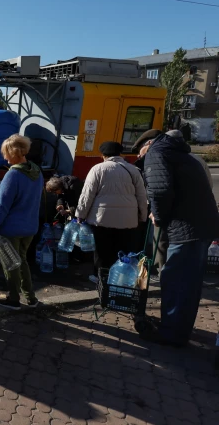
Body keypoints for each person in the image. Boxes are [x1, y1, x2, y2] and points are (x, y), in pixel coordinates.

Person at [142, 132, 219, 346]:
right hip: (202, 226)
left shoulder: (157, 153)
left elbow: (160, 190)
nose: (140, 156)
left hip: (186, 229)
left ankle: (171, 334)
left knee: (175, 280)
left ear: (147, 144)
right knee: (189, 283)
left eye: (140, 151)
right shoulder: (182, 155)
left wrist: (158, 215)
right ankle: (178, 329)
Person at [0, 134, 43, 310]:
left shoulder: (13, 175)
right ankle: (31, 298)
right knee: (22, 261)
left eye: (6, 153)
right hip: (30, 227)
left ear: (13, 152)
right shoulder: (36, 171)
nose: (4, 157)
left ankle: (13, 299)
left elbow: (2, 206)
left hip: (10, 229)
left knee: (11, 264)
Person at [75, 141, 148, 283]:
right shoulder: (133, 170)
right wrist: (142, 216)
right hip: (128, 220)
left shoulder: (97, 169)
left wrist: (80, 215)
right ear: (120, 154)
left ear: (103, 155)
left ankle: (100, 277)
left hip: (102, 219)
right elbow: (141, 196)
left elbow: (87, 195)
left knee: (102, 250)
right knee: (123, 250)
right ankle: (120, 278)